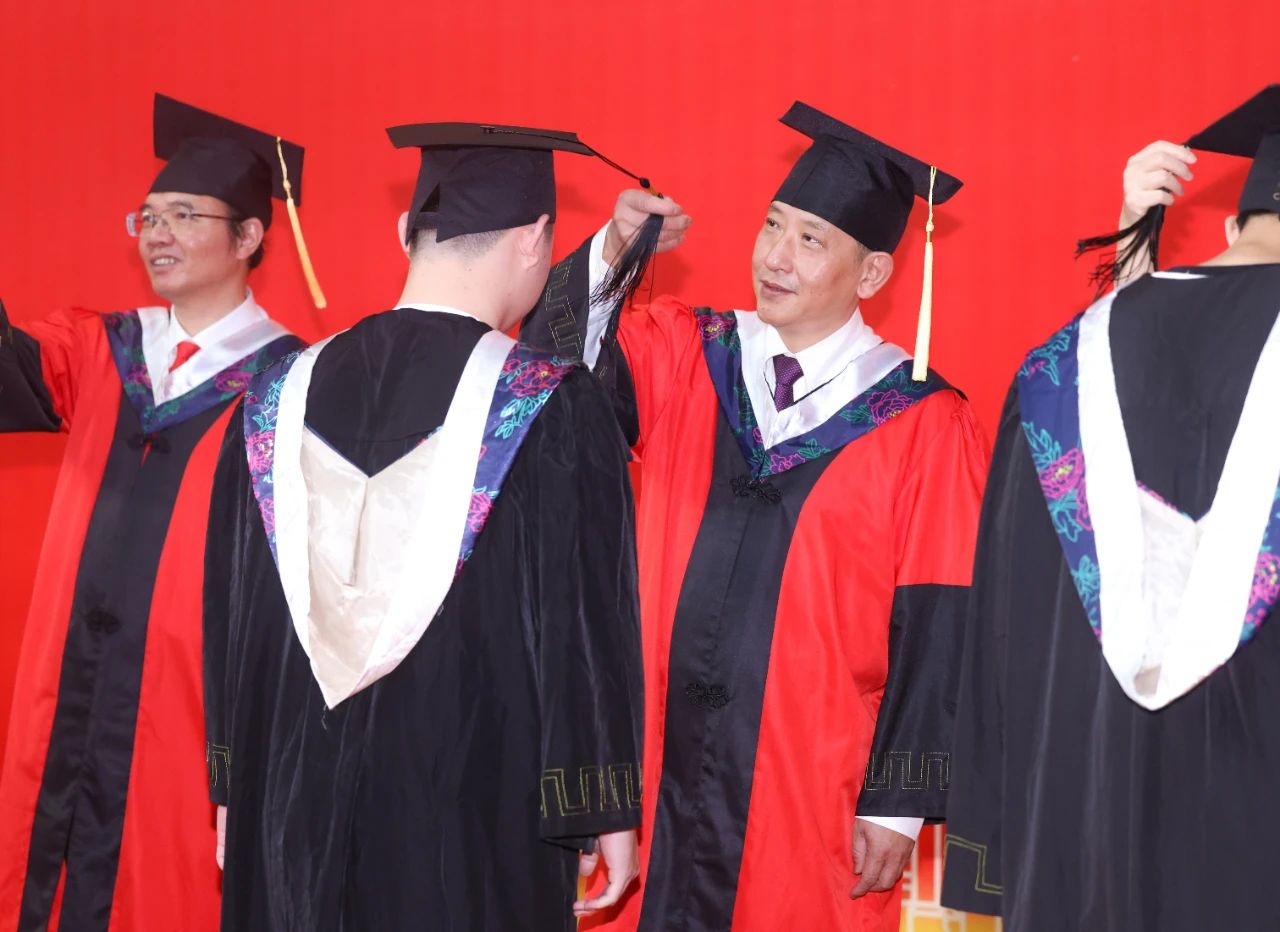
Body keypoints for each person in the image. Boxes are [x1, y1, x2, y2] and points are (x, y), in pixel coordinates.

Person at [523, 101, 987, 931]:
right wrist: (611, 257)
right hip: (654, 769)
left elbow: (944, 611)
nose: (774, 256)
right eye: (772, 225)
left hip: (808, 783)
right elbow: (550, 379)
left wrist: (901, 800)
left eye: (810, 239)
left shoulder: (924, 420)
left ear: (872, 275)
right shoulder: (683, 349)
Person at [203, 122, 647, 931]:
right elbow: (581, 621)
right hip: (469, 814)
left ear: (406, 231)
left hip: (289, 800)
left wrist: (233, 786)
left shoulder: (270, 396)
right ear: (534, 239)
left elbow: (233, 616)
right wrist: (599, 804)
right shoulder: (553, 404)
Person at [942, 85, 1280, 931]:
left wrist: (991, 846)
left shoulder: (1061, 368)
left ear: (1231, 229)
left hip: (1085, 839)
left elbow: (1003, 627)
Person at [0, 94, 311, 931]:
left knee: (165, 886)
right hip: (66, 686)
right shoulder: (101, 347)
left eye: (184, 214)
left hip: (186, 706)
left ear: (249, 237)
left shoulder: (296, 382)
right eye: (148, 216)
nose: (157, 233)